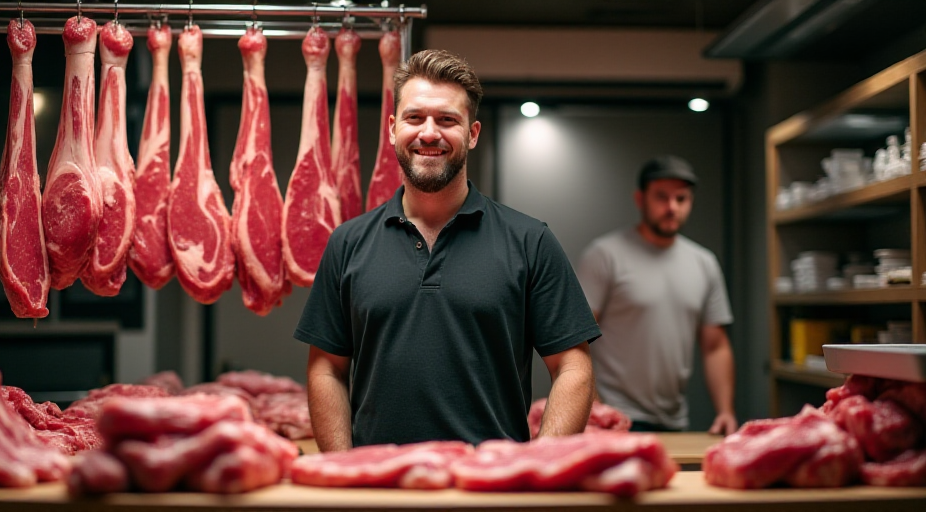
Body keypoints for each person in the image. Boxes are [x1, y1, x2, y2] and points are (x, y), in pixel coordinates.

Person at [294, 49, 601, 451]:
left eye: (447, 120)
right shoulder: (348, 243)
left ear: (472, 134)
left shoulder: (530, 241)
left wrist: (538, 466)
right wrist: (342, 469)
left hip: (490, 488)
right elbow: (327, 370)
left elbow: (573, 367)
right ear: (392, 128)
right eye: (415, 117)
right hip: (379, 487)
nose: (428, 133)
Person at [577, 155, 737, 435]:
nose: (671, 207)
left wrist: (725, 410)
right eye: (661, 197)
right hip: (614, 418)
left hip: (675, 420)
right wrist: (595, 408)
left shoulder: (704, 262)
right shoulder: (605, 256)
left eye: (681, 198)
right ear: (640, 199)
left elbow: (715, 346)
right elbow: (576, 338)